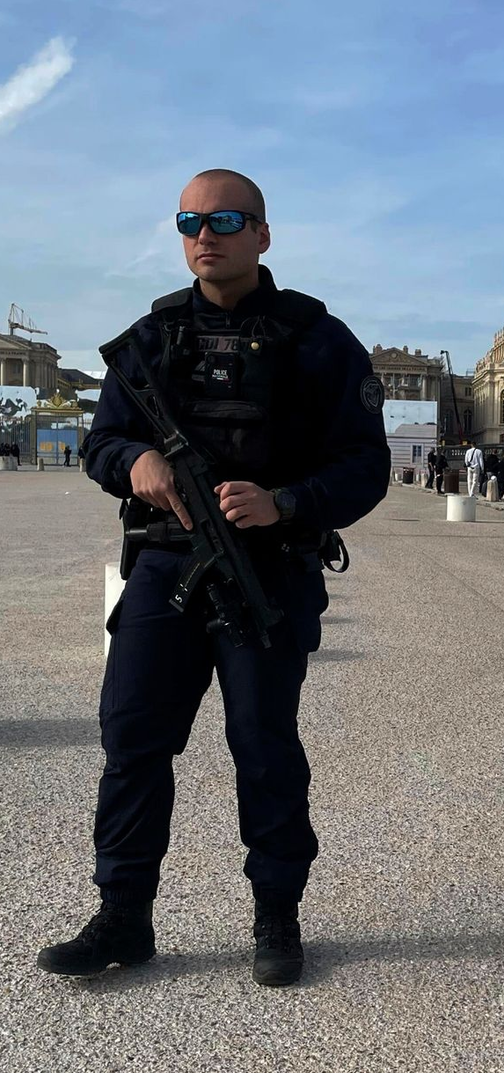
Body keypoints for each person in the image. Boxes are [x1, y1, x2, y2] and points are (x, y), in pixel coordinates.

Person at [38, 168, 390, 988]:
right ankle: (123, 913)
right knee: (132, 741)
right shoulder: (151, 339)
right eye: (190, 221)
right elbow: (101, 447)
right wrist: (139, 462)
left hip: (268, 570)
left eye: (226, 219)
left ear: (262, 234)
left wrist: (287, 501)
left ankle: (277, 915)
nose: (206, 234)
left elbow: (366, 466)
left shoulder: (316, 339)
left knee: (264, 747)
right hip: (166, 565)